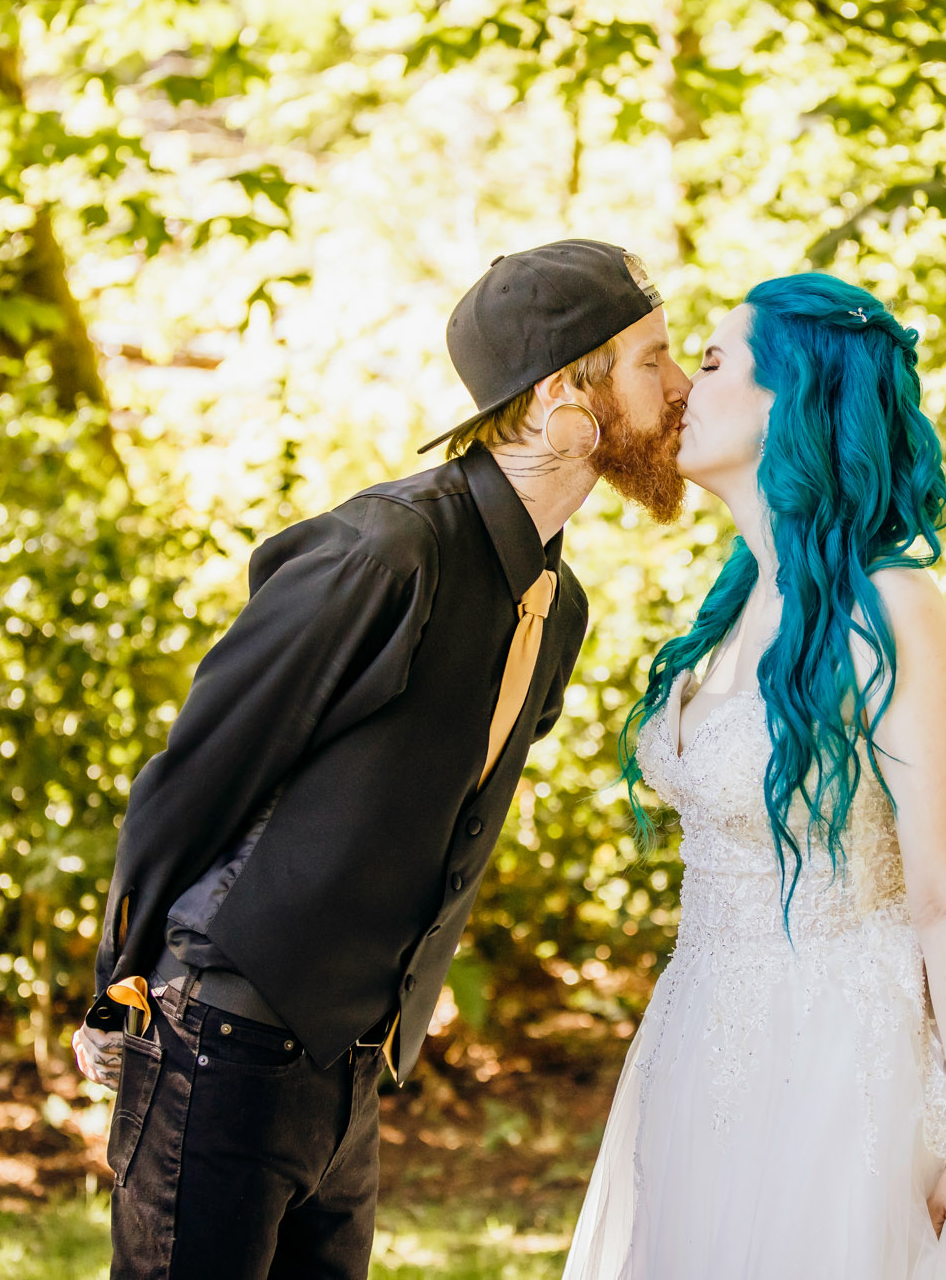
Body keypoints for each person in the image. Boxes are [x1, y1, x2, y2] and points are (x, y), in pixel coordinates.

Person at [72, 239, 693, 1280]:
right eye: (653, 361)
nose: (682, 388)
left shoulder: (558, 602)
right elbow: (198, 773)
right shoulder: (385, 550)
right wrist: (115, 986)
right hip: (216, 1042)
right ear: (560, 398)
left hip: (346, 1073)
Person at [561, 274, 946, 1278]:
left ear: (793, 402)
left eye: (708, 363)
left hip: (855, 1055)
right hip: (709, 1042)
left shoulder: (890, 610)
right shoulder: (732, 605)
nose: (676, 389)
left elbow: (945, 890)